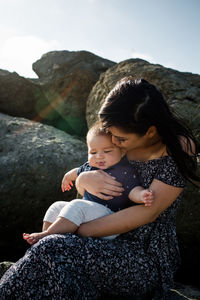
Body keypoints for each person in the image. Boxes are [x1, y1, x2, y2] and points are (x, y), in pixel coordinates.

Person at [0, 77, 199, 300]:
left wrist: (80, 230)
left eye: (120, 138)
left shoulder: (178, 146)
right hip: (100, 227)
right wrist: (84, 179)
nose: (113, 140)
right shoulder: (118, 138)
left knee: (53, 247)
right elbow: (89, 187)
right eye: (109, 133)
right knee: (50, 250)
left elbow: (148, 212)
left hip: (140, 253)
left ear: (150, 132)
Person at [23, 123, 154, 244]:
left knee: (77, 205)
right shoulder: (89, 167)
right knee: (56, 206)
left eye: (107, 151)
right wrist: (67, 177)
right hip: (88, 214)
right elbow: (77, 172)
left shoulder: (124, 171)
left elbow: (133, 190)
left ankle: (47, 235)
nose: (99, 156)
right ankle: (44, 243)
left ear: (122, 151)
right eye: (93, 152)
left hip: (109, 220)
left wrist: (142, 195)